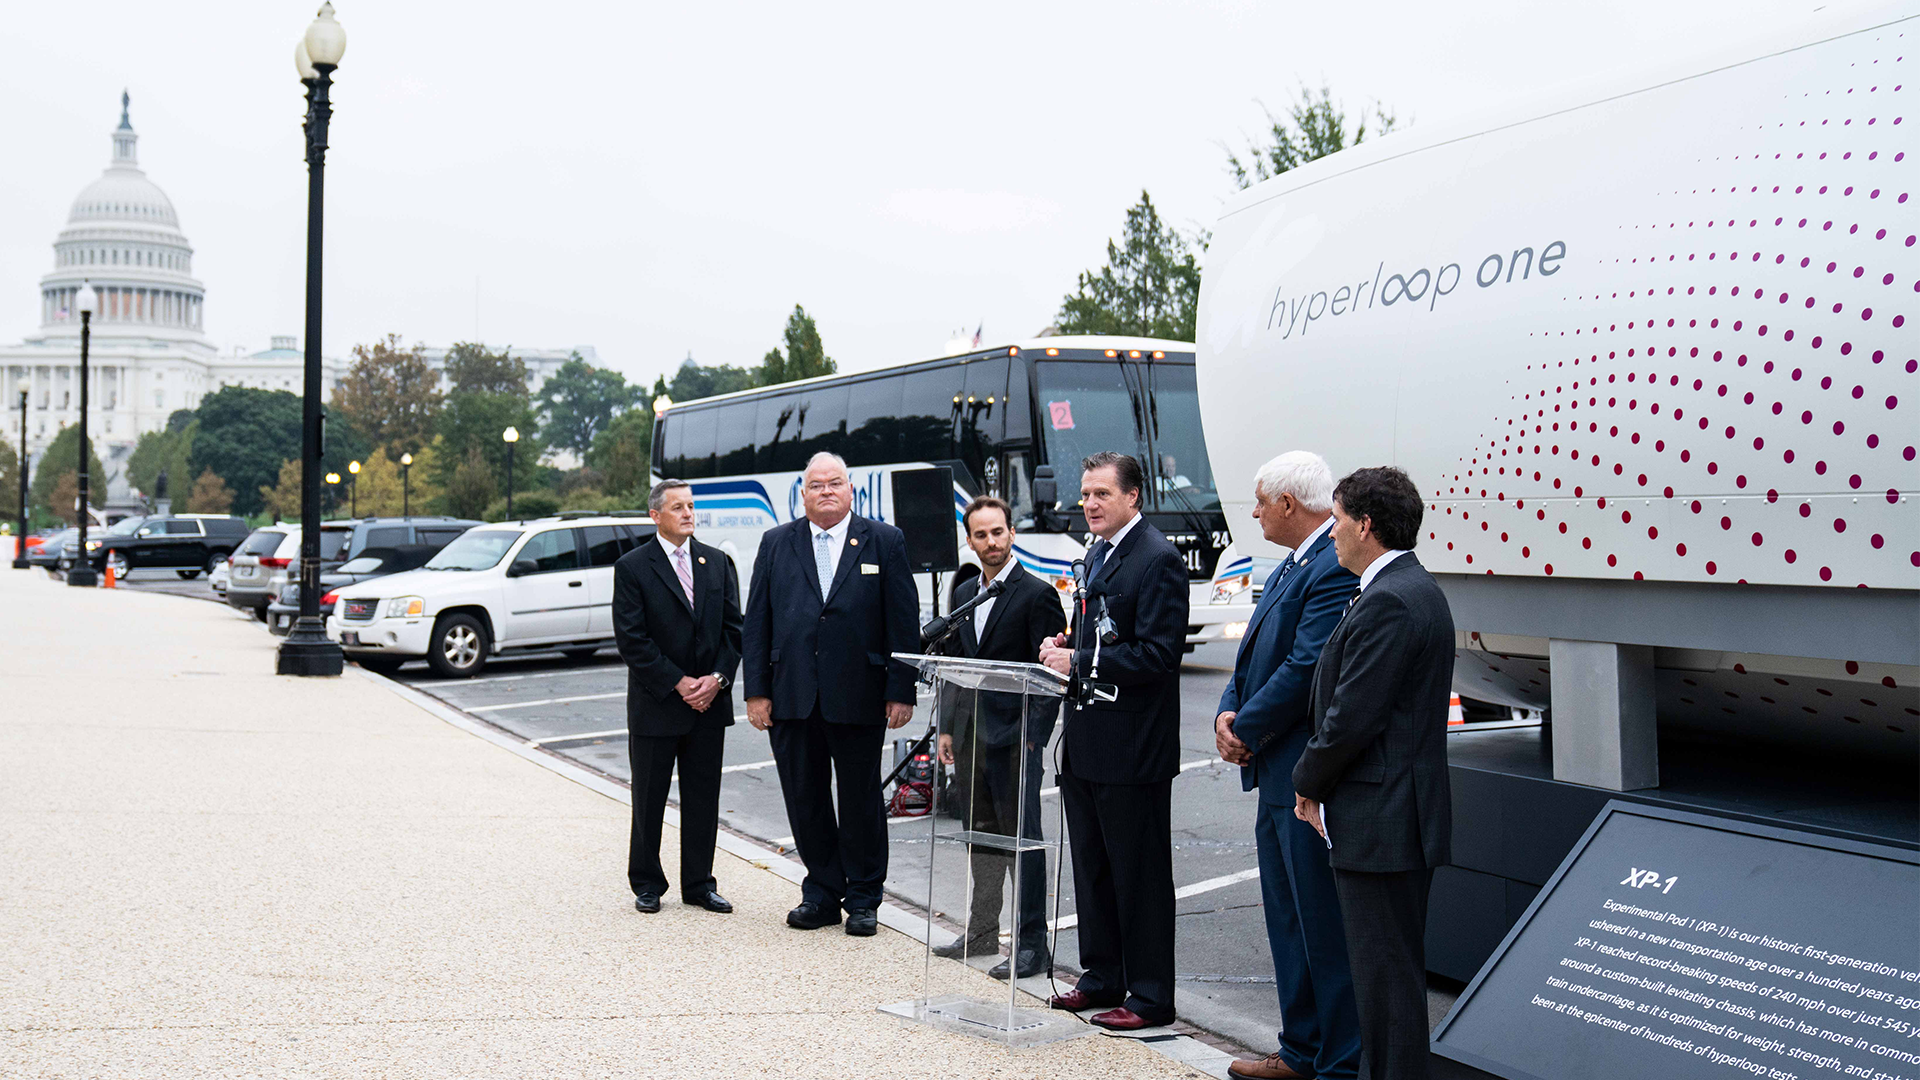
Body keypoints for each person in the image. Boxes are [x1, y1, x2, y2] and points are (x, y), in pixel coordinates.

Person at [1292, 466, 1455, 1080]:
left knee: (1386, 984)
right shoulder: (1404, 588)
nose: (1331, 533)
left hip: (1384, 819)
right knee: (1387, 980)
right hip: (1390, 815)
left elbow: (1352, 716)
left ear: (1366, 524)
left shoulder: (1390, 598)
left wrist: (1307, 783)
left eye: (1336, 520)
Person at [1215, 452, 1362, 1080]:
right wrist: (1227, 713)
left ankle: (1337, 1062)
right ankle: (1299, 1051)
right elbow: (1252, 654)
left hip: (1302, 774)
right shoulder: (1291, 566)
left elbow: (1305, 669)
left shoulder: (1329, 568)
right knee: (1287, 921)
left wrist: (1244, 728)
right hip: (1274, 770)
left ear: (1287, 504)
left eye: (1258, 501)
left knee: (1320, 927)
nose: (1252, 513)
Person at [741, 451, 919, 937]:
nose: (825, 491)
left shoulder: (885, 541)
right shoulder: (777, 543)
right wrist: (756, 691)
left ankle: (863, 898)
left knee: (861, 799)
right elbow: (756, 621)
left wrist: (901, 689)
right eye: (815, 485)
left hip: (860, 695)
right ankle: (820, 892)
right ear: (802, 494)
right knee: (806, 798)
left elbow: (903, 621)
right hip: (792, 695)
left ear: (850, 488)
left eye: (834, 482)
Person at [1038, 451, 1187, 1031]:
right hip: (1086, 742)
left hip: (1133, 747)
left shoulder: (1157, 559)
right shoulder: (1095, 555)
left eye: (1102, 494)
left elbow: (1158, 653)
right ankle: (1102, 975)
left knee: (1139, 876)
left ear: (1133, 497)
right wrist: (1066, 644)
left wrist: (1077, 657)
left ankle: (1150, 995)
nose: (1090, 505)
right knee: (1093, 868)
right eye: (1085, 495)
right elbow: (1099, 635)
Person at [933, 496, 1067, 980]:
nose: (990, 542)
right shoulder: (968, 591)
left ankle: (1032, 945)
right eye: (980, 535)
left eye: (998, 532)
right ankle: (983, 928)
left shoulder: (1037, 594)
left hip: (1015, 740)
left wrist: (1034, 738)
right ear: (969, 540)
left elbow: (1049, 678)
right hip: (970, 737)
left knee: (1021, 842)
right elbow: (958, 663)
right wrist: (948, 726)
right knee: (981, 836)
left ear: (1012, 534)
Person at [613, 479, 743, 915]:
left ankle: (700, 884)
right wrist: (679, 682)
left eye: (690, 506)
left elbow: (733, 630)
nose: (688, 513)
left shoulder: (718, 562)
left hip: (709, 703)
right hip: (658, 704)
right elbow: (632, 640)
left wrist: (718, 679)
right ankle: (647, 882)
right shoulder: (633, 567)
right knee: (649, 797)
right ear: (656, 516)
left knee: (704, 798)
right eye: (677, 507)